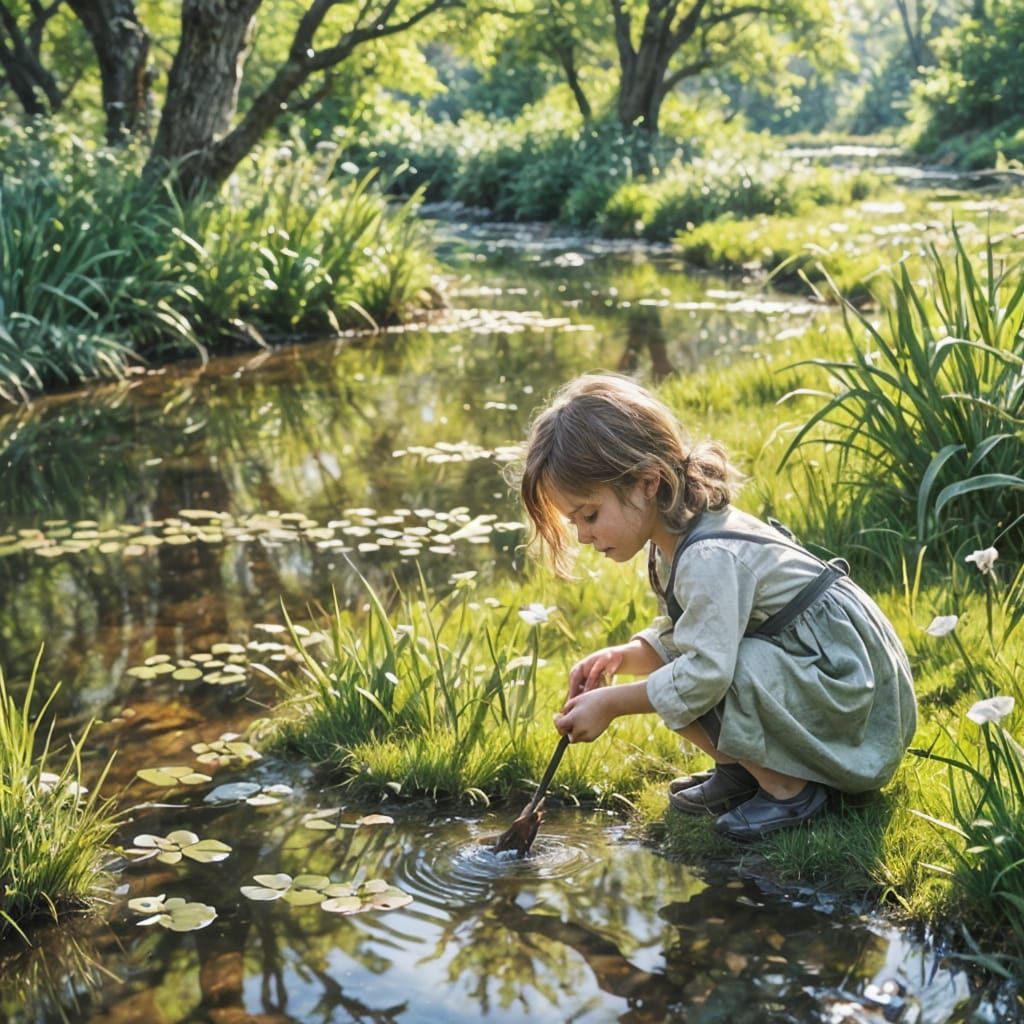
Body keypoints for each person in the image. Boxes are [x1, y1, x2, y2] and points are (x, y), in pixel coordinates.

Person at [518, 372, 917, 841]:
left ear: (649, 482)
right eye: (575, 522)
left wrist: (611, 704)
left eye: (589, 515)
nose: (584, 535)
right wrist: (622, 658)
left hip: (855, 700)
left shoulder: (707, 557)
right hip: (822, 673)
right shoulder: (675, 536)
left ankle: (790, 789)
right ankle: (744, 774)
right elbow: (687, 629)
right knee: (686, 668)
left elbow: (705, 671)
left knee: (698, 675)